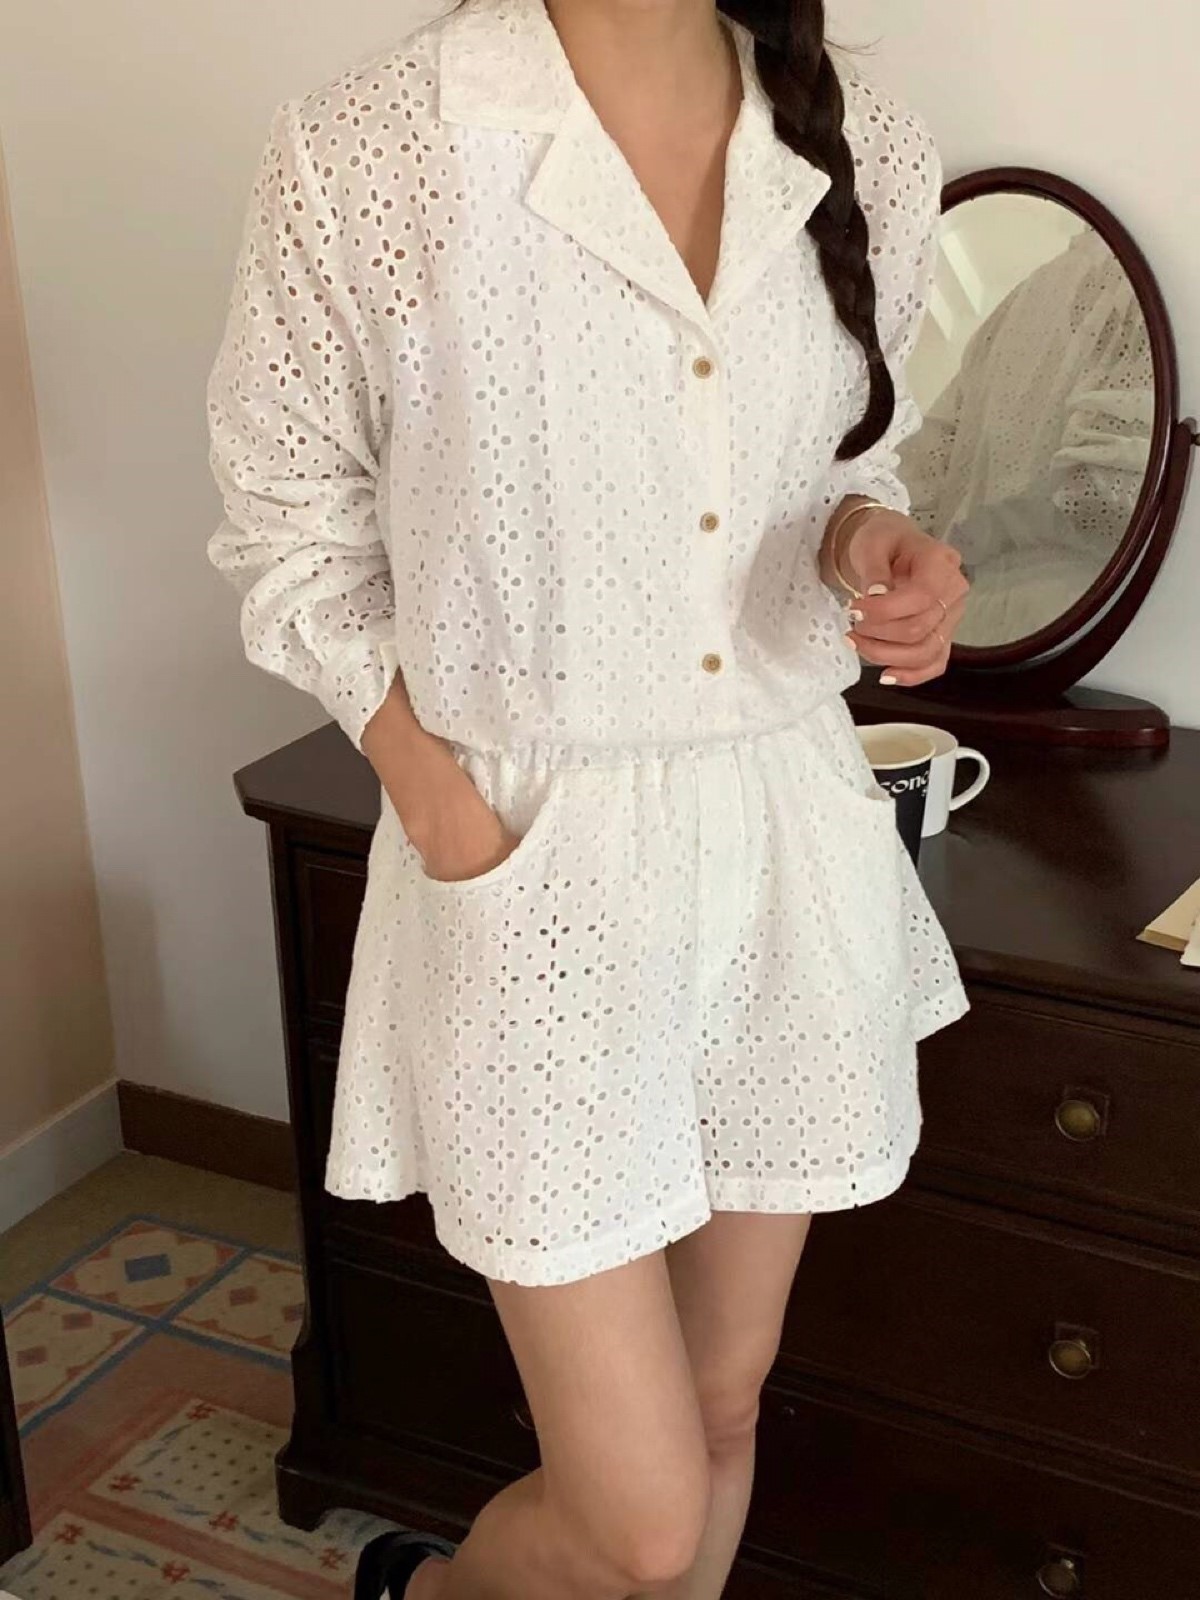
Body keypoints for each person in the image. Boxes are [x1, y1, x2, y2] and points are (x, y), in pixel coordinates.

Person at [205, 0, 971, 1594]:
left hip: (780, 841)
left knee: (723, 1403)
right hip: (528, 864)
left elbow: (844, 467)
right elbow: (286, 527)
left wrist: (870, 550)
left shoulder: (867, 139)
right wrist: (443, 810)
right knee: (640, 1516)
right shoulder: (371, 149)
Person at [899, 225, 1154, 645]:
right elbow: (1114, 490)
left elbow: (917, 484)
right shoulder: (1142, 282)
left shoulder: (1023, 298)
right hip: (1080, 615)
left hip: (963, 621)